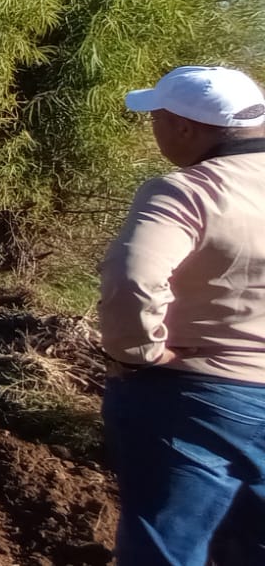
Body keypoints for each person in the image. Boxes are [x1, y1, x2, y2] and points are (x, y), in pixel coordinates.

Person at [99, 65, 265, 565]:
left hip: (197, 396)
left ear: (184, 128)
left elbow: (132, 279)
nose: (154, 129)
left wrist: (137, 354)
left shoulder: (188, 191)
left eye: (157, 118)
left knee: (167, 543)